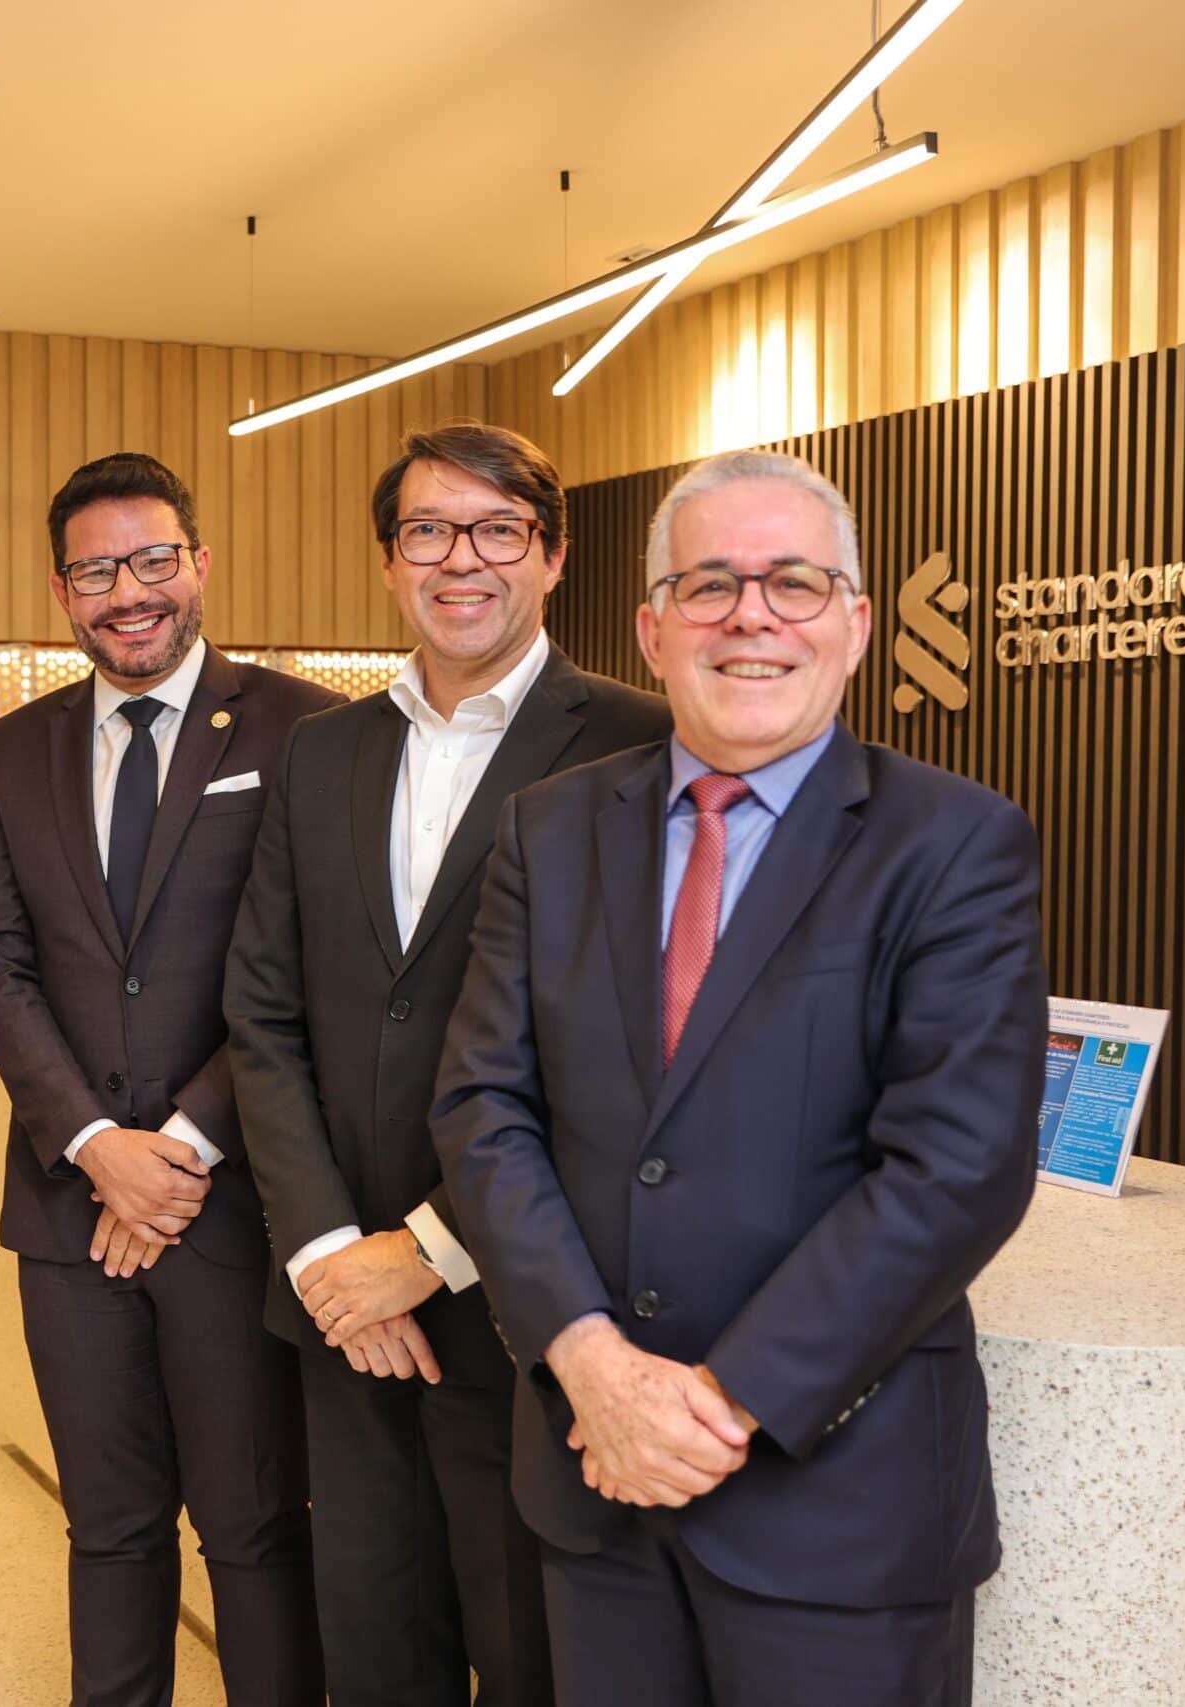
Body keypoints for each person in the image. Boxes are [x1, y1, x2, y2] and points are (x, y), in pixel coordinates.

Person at [431, 450, 1047, 1706]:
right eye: (709, 584)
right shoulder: (548, 830)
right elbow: (482, 1109)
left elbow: (954, 1169)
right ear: (652, 630)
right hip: (591, 1481)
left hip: (840, 1507)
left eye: (794, 584)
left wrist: (719, 1405)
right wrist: (595, 1371)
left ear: (856, 624)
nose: (750, 615)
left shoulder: (956, 843)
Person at [225, 422, 668, 1707]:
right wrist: (327, 1258)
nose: (459, 559)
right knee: (370, 1652)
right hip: (339, 1316)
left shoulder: (637, 747)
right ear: (387, 560)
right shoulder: (324, 750)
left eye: (496, 531)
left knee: (535, 1655)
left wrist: (422, 1253)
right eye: (428, 531)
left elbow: (625, 1054)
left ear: (551, 557)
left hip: (534, 1308)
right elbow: (263, 1012)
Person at [0, 452, 337, 1707]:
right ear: (61, 588)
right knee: (108, 1529)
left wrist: (175, 1146)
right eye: (94, 569)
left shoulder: (306, 731)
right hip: (71, 1212)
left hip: (231, 1205)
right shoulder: (13, 749)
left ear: (199, 564)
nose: (126, 591)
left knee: (251, 1529)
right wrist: (91, 1144)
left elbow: (297, 968)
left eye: (151, 560)